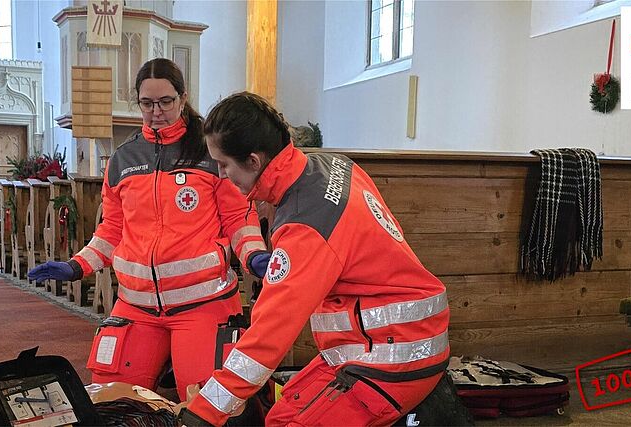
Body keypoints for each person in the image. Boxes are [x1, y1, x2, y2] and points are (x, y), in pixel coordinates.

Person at [178, 92, 451, 427]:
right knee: (280, 414)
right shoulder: (329, 165)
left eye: (224, 165)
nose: (221, 176)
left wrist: (202, 414)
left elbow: (270, 333)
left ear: (253, 161)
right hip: (378, 341)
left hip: (394, 355)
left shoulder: (305, 225)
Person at [28, 59, 269, 402]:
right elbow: (112, 230)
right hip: (136, 305)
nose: (157, 111)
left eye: (166, 102)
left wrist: (254, 256)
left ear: (183, 98)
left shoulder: (209, 152)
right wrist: (76, 265)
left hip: (201, 303)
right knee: (108, 399)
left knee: (206, 404)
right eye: (147, 103)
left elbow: (238, 219)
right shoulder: (123, 160)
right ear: (137, 101)